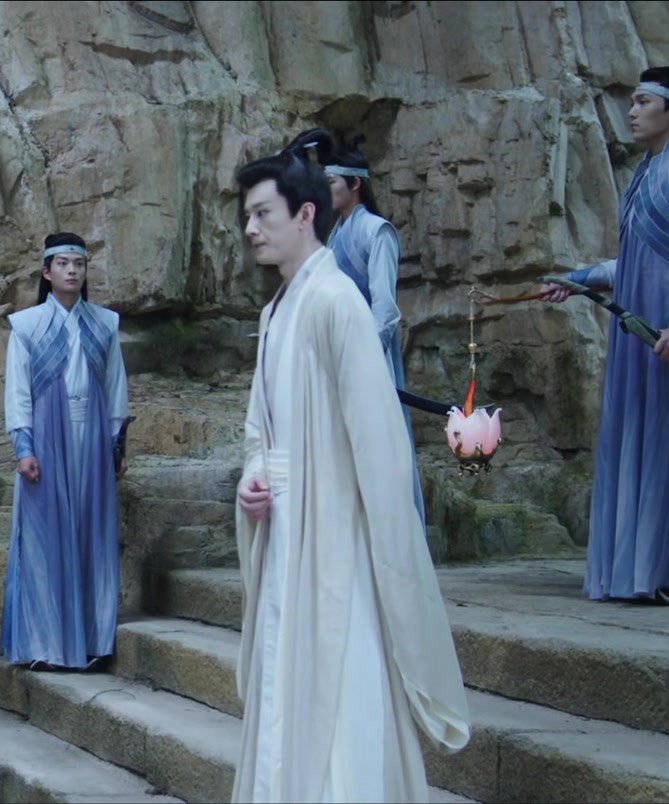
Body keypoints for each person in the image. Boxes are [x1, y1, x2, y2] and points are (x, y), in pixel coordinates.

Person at [230, 137, 470, 802]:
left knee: (342, 692)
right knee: (284, 683)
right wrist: (256, 478)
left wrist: (385, 549)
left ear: (305, 213)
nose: (251, 229)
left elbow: (379, 445)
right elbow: (261, 428)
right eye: (247, 216)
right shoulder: (274, 312)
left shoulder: (339, 302)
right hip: (285, 537)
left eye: (262, 213)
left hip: (337, 537)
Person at [543, 65, 669, 604]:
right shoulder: (644, 174)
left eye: (642, 102)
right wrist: (576, 279)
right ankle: (645, 571)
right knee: (643, 437)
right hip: (637, 331)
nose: (631, 112)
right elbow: (634, 263)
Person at [0, 232, 130, 671]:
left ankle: (92, 640)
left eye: (79, 263)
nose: (72, 270)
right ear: (46, 271)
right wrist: (24, 447)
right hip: (47, 438)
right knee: (45, 535)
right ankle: (46, 644)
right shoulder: (27, 325)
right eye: (63, 263)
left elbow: (115, 388)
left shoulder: (104, 324)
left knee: (92, 531)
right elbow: (18, 391)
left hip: (92, 437)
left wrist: (117, 444)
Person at [313, 129, 426, 524]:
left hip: (366, 353)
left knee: (375, 443)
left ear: (355, 184)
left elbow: (386, 309)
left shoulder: (377, 232)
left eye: (331, 182)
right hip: (337, 351)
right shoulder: (335, 235)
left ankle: (391, 534)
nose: (325, 190)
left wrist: (366, 357)